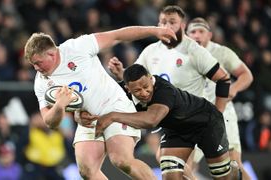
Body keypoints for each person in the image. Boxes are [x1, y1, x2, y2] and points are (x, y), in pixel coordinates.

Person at [24, 26, 176, 179]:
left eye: (38, 62)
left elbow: (117, 35)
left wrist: (155, 31)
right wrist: (59, 106)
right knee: (87, 170)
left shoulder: (78, 47)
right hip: (89, 119)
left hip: (115, 107)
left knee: (121, 159)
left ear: (52, 54)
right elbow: (49, 121)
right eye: (33, 64)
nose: (36, 68)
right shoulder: (41, 82)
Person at [91, 64, 239, 180]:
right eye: (137, 91)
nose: (143, 93)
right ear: (127, 88)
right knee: (170, 176)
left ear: (150, 78)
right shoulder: (123, 91)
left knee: (223, 177)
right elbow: (97, 99)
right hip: (177, 130)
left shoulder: (164, 91)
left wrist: (112, 116)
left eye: (145, 87)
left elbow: (152, 120)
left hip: (207, 122)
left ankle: (234, 173)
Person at [186, 17, 253, 180]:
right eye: (192, 32)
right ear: (186, 35)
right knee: (185, 165)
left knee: (233, 164)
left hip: (222, 114)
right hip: (197, 116)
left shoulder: (221, 52)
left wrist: (234, 88)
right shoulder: (182, 55)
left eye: (200, 31)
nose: (196, 35)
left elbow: (247, 75)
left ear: (209, 35)